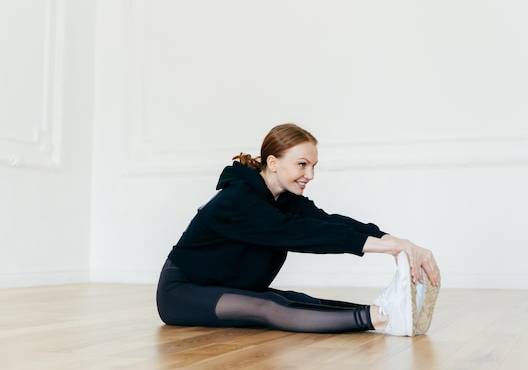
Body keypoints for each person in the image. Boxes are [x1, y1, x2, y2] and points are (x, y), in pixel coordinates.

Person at [157, 123, 440, 336]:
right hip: (182, 292)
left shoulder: (285, 199)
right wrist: (389, 248)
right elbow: (302, 233)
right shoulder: (238, 201)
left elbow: (329, 222)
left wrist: (396, 241)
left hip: (223, 286)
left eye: (313, 166)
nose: (310, 175)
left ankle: (385, 311)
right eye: (302, 165)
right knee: (267, 307)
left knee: (291, 298)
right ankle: (382, 318)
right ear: (273, 163)